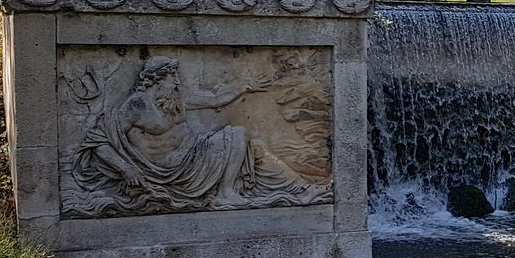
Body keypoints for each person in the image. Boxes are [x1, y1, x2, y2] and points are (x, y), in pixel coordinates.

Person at [69, 56, 326, 215]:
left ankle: (302, 189)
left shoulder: (175, 99)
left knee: (254, 148)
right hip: (169, 169)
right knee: (237, 135)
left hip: (193, 154)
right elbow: (99, 140)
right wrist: (126, 169)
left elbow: (214, 99)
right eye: (172, 77)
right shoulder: (137, 105)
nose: (177, 82)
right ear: (156, 80)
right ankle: (225, 195)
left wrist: (245, 87)